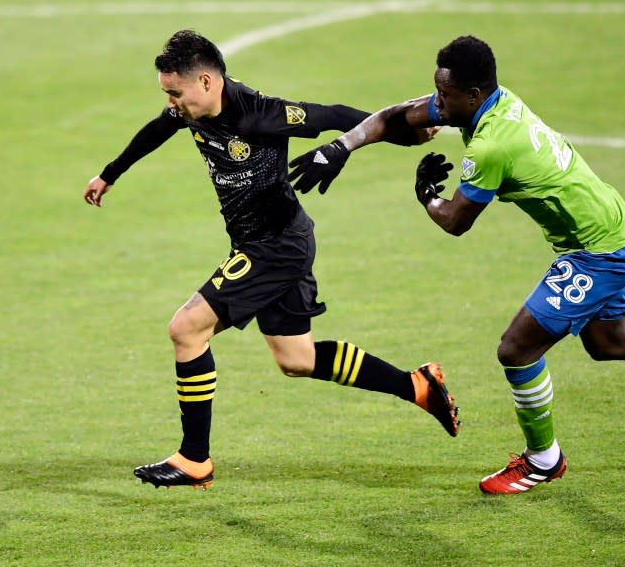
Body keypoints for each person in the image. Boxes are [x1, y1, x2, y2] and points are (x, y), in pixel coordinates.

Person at [287, 34, 625, 495]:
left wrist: (427, 199)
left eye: (445, 94)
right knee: (609, 343)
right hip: (612, 225)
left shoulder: (495, 144)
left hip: (597, 251)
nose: (437, 103)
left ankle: (544, 460)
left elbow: (456, 222)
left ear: (473, 94)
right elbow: (400, 116)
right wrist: (340, 147)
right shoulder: (487, 102)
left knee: (516, 349)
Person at [82, 29, 459, 490]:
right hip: (272, 242)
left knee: (186, 329)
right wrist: (110, 173)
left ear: (205, 83)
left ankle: (194, 459)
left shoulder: (261, 115)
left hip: (274, 248)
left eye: (174, 93)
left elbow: (336, 115)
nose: (171, 103)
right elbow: (160, 127)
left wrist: (414, 133)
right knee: (296, 358)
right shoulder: (193, 107)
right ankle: (418, 386)